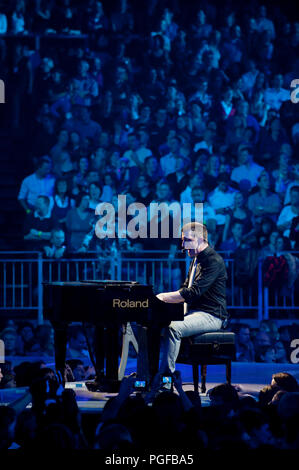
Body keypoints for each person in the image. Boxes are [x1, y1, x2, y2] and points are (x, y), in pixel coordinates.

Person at [156, 222, 228, 376]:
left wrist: (162, 297)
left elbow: (193, 293)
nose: (183, 245)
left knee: (173, 328)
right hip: (195, 312)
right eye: (182, 241)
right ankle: (147, 375)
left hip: (212, 315)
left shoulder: (212, 261)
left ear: (201, 239)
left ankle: (167, 377)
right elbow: (185, 289)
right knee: (151, 326)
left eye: (186, 240)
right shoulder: (196, 259)